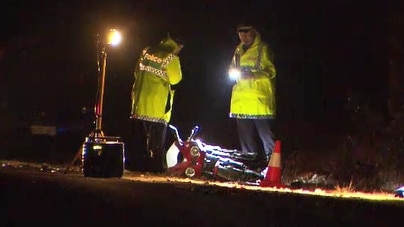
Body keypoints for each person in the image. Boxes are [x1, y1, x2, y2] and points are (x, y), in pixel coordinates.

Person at [130, 34, 183, 172]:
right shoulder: (171, 57)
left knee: (140, 136)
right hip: (157, 104)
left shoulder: (147, 50)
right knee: (156, 140)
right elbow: (176, 79)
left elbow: (136, 72)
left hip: (139, 99)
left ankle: (137, 165)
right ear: (179, 45)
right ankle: (155, 167)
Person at [228, 22, 277, 169]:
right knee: (246, 140)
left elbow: (271, 72)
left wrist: (253, 75)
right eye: (240, 32)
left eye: (246, 31)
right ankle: (249, 168)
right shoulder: (238, 50)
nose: (243, 35)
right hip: (241, 100)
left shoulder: (263, 48)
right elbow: (232, 68)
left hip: (258, 101)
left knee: (266, 137)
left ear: (254, 31)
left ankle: (273, 167)